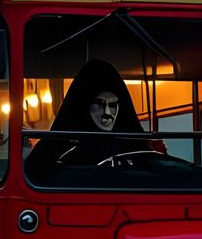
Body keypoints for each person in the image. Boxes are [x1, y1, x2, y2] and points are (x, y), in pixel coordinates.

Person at [25, 59, 153, 181]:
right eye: (100, 104)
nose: (107, 113)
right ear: (85, 107)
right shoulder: (59, 151)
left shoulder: (135, 148)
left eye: (112, 105)